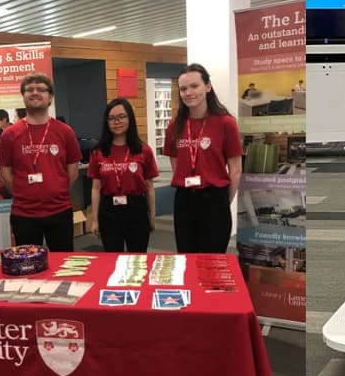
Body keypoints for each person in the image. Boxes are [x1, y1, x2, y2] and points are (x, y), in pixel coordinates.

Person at [0, 73, 82, 252]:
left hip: (59, 211)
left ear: (50, 97)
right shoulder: (10, 134)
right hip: (24, 213)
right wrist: (23, 193)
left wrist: (56, 190)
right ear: (23, 96)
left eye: (41, 89)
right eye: (30, 89)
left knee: (63, 263)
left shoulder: (65, 131)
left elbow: (73, 171)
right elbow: (5, 173)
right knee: (27, 266)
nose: (35, 93)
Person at [163, 64, 243, 253]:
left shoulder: (226, 123)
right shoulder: (175, 125)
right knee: (186, 257)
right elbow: (175, 162)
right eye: (183, 89)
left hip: (214, 198)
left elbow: (236, 169)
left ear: (207, 86)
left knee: (213, 260)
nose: (189, 92)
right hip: (184, 199)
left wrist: (224, 200)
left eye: (194, 86)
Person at [88, 98, 158, 253]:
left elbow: (149, 186)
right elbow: (95, 188)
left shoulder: (143, 150)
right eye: (111, 118)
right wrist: (94, 220)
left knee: (138, 259)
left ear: (130, 118)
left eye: (121, 117)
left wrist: (152, 216)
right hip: (109, 211)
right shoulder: (98, 152)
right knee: (113, 259)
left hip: (136, 209)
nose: (116, 122)